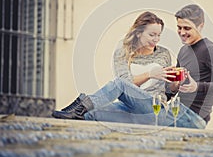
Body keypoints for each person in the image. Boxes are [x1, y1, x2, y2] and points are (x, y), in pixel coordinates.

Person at [52, 11, 205, 129]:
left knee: (118, 84)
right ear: (138, 32)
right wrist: (150, 74)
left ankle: (78, 107)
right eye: (152, 35)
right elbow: (125, 83)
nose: (156, 39)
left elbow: (167, 93)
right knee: (91, 115)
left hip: (153, 109)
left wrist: (175, 85)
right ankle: (76, 111)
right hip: (130, 109)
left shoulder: (163, 53)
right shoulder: (122, 51)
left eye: (159, 35)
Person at [165, 4, 213, 126]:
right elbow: (173, 90)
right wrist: (173, 86)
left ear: (200, 26)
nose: (182, 32)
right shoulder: (183, 50)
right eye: (179, 27)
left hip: (193, 117)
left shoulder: (210, 50)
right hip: (177, 111)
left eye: (187, 28)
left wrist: (197, 86)